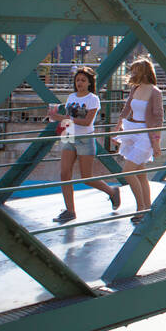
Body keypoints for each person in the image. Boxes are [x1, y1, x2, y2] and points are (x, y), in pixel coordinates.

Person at [48, 67, 121, 224]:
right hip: (69, 135)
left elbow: (87, 121)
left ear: (89, 83)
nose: (79, 83)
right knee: (64, 174)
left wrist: (61, 117)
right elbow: (68, 118)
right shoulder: (71, 97)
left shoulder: (92, 99)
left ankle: (112, 191)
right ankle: (70, 211)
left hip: (85, 139)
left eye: (83, 80)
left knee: (86, 178)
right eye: (77, 80)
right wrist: (57, 120)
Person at [114, 57, 164, 225]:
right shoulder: (135, 89)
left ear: (144, 72)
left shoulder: (155, 92)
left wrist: (156, 143)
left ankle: (140, 208)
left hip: (145, 135)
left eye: (136, 70)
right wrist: (119, 123)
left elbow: (158, 119)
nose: (133, 73)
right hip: (131, 131)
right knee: (141, 174)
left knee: (127, 171)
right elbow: (127, 107)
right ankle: (147, 207)